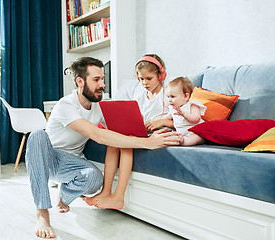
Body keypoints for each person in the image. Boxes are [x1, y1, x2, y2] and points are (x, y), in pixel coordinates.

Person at [25, 56, 181, 239]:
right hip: (50, 157)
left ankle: (64, 195)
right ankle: (42, 214)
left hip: (73, 162)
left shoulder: (98, 106)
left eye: (103, 79)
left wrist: (144, 131)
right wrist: (148, 143)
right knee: (37, 135)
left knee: (94, 179)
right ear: (80, 82)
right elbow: (98, 135)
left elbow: (115, 130)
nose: (102, 85)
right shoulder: (65, 105)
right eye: (96, 80)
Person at [83, 54, 174, 210]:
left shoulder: (168, 94)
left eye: (149, 79)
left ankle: (118, 197)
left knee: (126, 143)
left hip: (162, 132)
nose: (144, 83)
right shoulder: (140, 95)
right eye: (141, 79)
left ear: (161, 75)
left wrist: (162, 121)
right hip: (144, 132)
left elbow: (181, 120)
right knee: (114, 142)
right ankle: (106, 191)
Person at [165, 77, 207, 146]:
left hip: (195, 131)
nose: (169, 100)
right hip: (182, 133)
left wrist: (184, 114)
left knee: (198, 136)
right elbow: (166, 118)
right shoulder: (172, 108)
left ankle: (184, 142)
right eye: (168, 96)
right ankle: (179, 140)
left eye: (172, 97)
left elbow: (196, 119)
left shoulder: (192, 105)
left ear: (185, 96)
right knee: (170, 135)